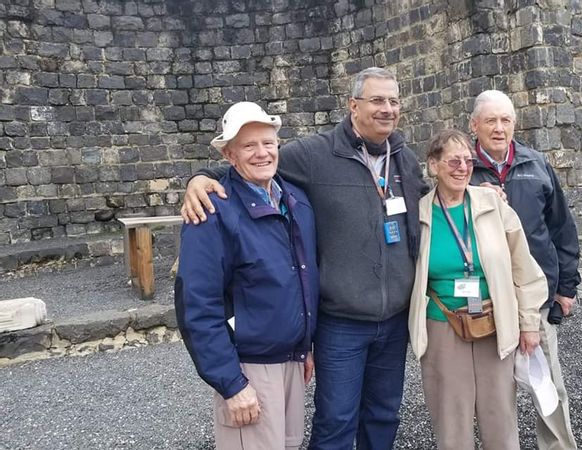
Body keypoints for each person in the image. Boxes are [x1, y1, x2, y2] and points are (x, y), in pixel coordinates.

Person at [180, 68, 428, 449]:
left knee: (383, 415)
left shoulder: (405, 161)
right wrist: (198, 178)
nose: (388, 109)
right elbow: (249, 166)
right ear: (353, 105)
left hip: (393, 323)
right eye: (377, 100)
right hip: (342, 322)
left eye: (394, 101)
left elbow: (439, 199)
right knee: (336, 422)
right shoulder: (315, 154)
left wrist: (488, 194)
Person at [174, 101, 319, 450]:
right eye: (248, 146)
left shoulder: (296, 200)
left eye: (268, 143)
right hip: (249, 368)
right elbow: (198, 306)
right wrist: (231, 384)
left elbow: (301, 277)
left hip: (292, 361)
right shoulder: (212, 211)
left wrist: (305, 344)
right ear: (229, 155)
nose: (262, 153)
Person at [408, 129, 549, 450]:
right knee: (451, 418)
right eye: (453, 161)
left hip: (493, 321)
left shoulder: (492, 204)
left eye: (468, 160)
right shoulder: (419, 215)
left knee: (499, 415)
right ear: (433, 165)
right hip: (442, 324)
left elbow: (523, 268)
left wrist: (529, 324)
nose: (462, 167)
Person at [469, 90, 582, 450]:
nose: (499, 129)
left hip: (536, 297)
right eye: (491, 120)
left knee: (548, 386)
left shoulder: (536, 165)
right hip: (486, 299)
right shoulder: (461, 170)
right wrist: (471, 197)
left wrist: (567, 285)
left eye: (506, 120)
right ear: (475, 125)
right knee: (497, 391)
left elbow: (561, 228)